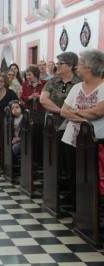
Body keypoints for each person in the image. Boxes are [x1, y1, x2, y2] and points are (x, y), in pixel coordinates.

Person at [61, 49, 104, 211]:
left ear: (90, 67)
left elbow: (99, 111)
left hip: (96, 140)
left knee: (92, 176)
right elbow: (64, 111)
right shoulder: (77, 87)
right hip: (71, 138)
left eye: (79, 65)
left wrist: (77, 112)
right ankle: (77, 209)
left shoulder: (103, 87)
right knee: (74, 174)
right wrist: (86, 119)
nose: (77, 68)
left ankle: (91, 210)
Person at [40, 52, 82, 127]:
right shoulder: (53, 81)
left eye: (61, 63)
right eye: (57, 63)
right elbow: (43, 99)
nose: (57, 66)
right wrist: (62, 111)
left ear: (70, 66)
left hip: (73, 122)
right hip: (52, 123)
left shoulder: (80, 82)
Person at [0, 73, 18, 175]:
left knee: (4, 143)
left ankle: (5, 166)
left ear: (5, 82)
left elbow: (16, 105)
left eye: (1, 81)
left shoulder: (10, 93)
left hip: (8, 121)